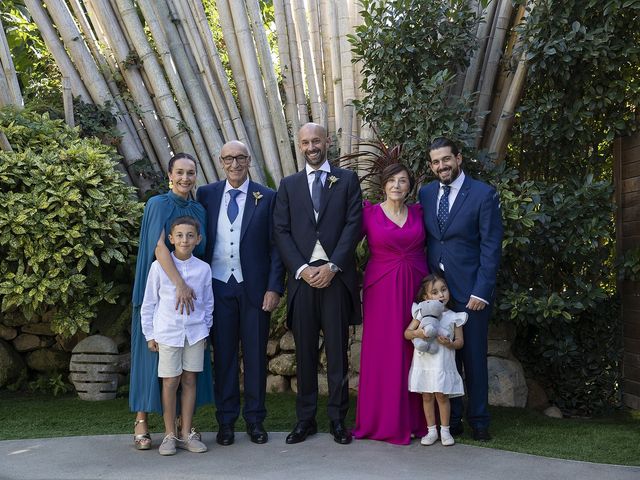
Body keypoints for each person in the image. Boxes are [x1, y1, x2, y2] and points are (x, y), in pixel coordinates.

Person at [273, 123, 362, 445]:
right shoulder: (288, 185)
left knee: (337, 354)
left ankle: (338, 420)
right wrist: (301, 268)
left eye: (317, 141)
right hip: (303, 281)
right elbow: (280, 230)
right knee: (306, 354)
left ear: (328, 142)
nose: (312, 146)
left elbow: (355, 224)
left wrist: (333, 266)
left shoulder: (348, 180)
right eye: (305, 142)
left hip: (335, 280)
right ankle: (305, 420)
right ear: (300, 146)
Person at [196, 140, 284, 446]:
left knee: (256, 355)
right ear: (221, 162)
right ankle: (226, 421)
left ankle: (256, 420)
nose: (235, 164)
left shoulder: (267, 197)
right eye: (229, 158)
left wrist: (274, 287)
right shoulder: (206, 194)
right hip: (218, 286)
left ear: (249, 160)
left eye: (241, 158)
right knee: (224, 357)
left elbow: (276, 248)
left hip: (255, 289)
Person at [418, 137, 503, 441]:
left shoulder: (483, 194)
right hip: (438, 297)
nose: (441, 166)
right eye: (436, 162)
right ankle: (450, 421)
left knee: (473, 358)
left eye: (446, 159)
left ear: (459, 158)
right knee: (444, 359)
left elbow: (491, 247)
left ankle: (479, 420)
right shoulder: (426, 193)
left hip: (471, 295)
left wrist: (481, 291)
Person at [130, 153, 214, 451]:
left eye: (190, 173)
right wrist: (179, 284)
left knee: (187, 369)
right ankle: (141, 420)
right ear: (169, 175)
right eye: (179, 172)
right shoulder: (157, 204)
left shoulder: (198, 209)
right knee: (151, 355)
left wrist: (193, 288)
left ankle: (183, 424)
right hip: (163, 287)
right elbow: (158, 246)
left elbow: (201, 250)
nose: (185, 178)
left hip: (190, 299)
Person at [352, 163, 428, 445]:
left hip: (416, 288)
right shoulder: (368, 214)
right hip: (381, 290)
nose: (397, 185)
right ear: (383, 184)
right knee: (384, 352)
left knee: (414, 349)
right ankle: (381, 421)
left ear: (409, 186)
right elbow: (344, 243)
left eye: (403, 181)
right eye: (392, 180)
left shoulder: (419, 212)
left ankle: (416, 421)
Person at [140, 216, 213, 455]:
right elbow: (149, 302)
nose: (184, 240)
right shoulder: (158, 267)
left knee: (190, 380)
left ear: (198, 239)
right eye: (179, 235)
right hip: (168, 333)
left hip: (194, 333)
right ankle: (169, 435)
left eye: (190, 235)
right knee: (171, 382)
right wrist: (150, 334)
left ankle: (186, 433)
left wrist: (205, 330)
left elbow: (207, 303)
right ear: (171, 239)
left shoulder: (203, 269)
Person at [405, 273, 467, 447]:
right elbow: (407, 333)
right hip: (424, 363)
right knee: (427, 397)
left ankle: (445, 431)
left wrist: (450, 343)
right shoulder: (420, 313)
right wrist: (419, 333)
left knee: (442, 396)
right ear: (426, 297)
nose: (441, 295)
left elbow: (460, 342)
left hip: (442, 364)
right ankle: (431, 431)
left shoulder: (455, 316)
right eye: (435, 292)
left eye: (444, 290)